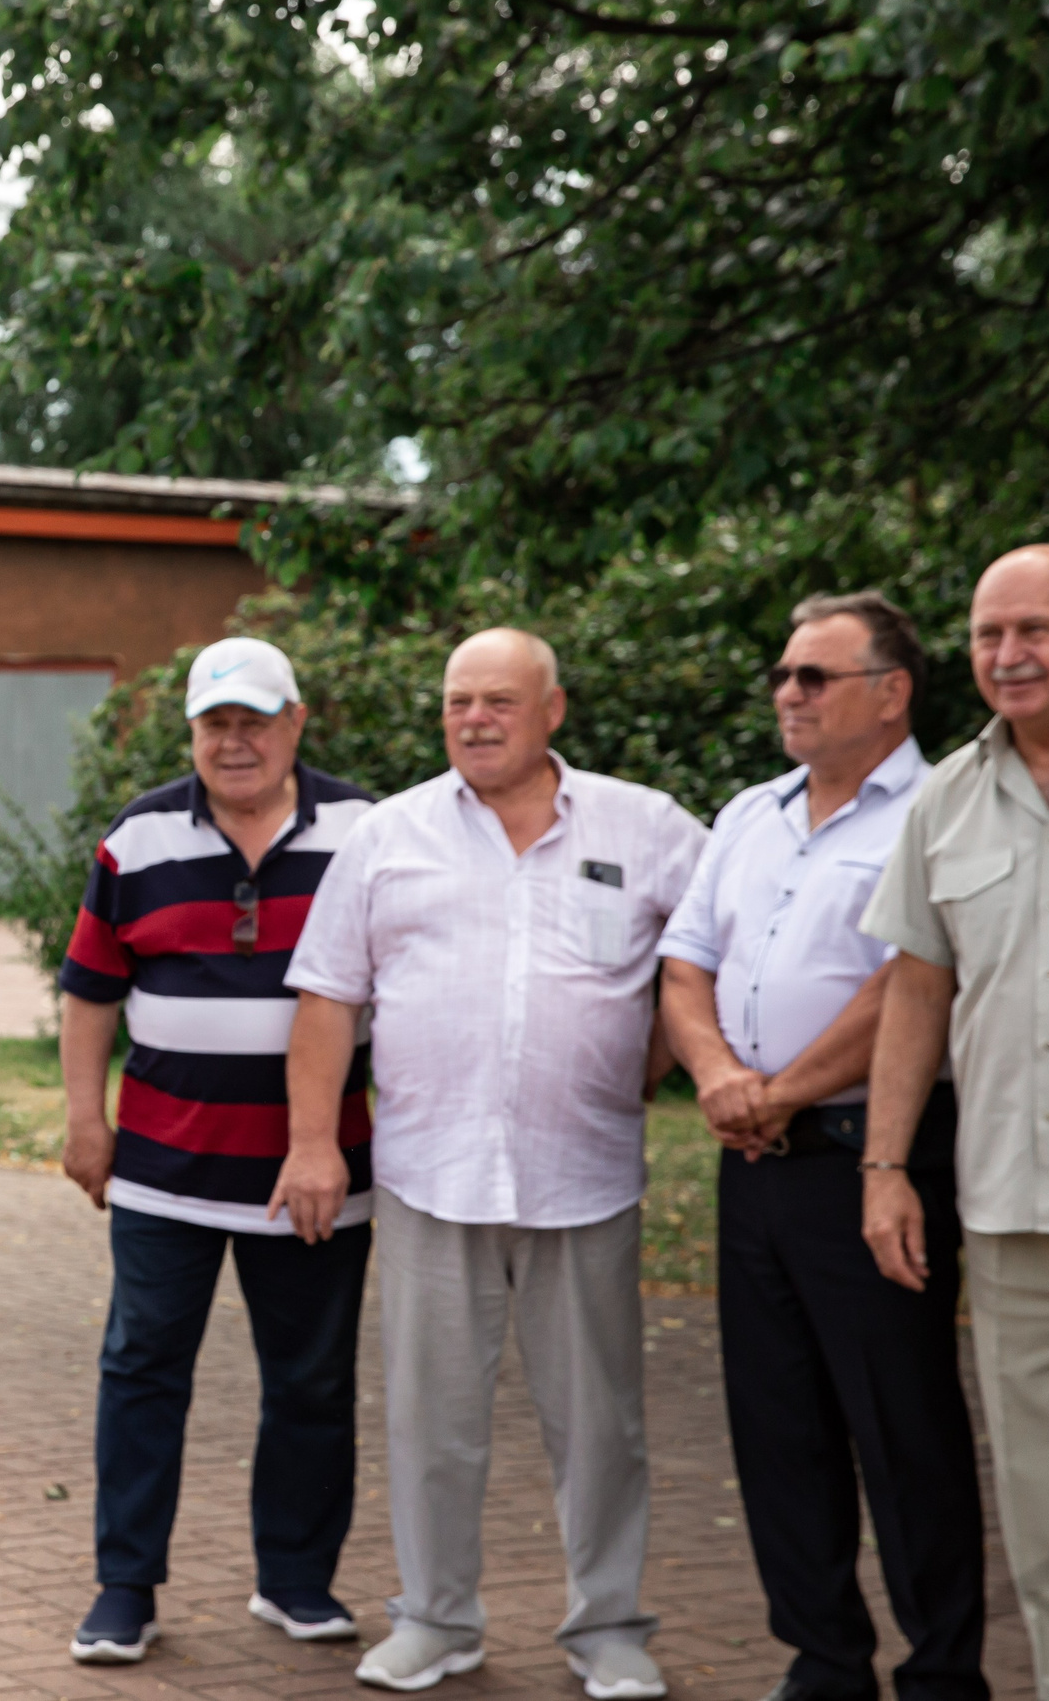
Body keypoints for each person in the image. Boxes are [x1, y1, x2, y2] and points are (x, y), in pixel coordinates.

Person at [281, 628, 705, 1698]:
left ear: (551, 710)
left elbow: (703, 964)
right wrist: (313, 1141)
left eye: (498, 701)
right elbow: (329, 996)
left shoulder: (646, 827)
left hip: (585, 1176)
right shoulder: (389, 835)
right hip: (430, 1173)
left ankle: (607, 1628)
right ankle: (435, 1621)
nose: (474, 718)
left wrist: (642, 1066)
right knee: (431, 1423)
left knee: (601, 1423)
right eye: (457, 701)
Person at [657, 593, 984, 1701]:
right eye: (783, 674)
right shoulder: (750, 810)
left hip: (872, 1156)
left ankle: (941, 1672)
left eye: (814, 677)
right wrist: (716, 1079)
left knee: (903, 1427)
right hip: (751, 1163)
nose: (787, 693)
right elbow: (686, 962)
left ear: (890, 695)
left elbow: (905, 981)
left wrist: (783, 1090)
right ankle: (824, 1660)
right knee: (777, 1426)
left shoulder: (942, 808)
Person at [860, 544, 1049, 1701]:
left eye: (1034, 630)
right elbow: (917, 988)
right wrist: (885, 1166)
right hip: (1013, 1219)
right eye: (988, 635)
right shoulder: (944, 794)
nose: (1007, 655)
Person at [56, 636, 380, 1663]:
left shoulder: (369, 831)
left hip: (320, 1170)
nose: (234, 743)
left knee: (313, 1381)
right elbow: (90, 987)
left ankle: (294, 1579)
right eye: (214, 725)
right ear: (191, 734)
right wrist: (84, 1119)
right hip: (161, 1165)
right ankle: (125, 1587)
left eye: (254, 721)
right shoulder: (139, 837)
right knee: (142, 1371)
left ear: (295, 723)